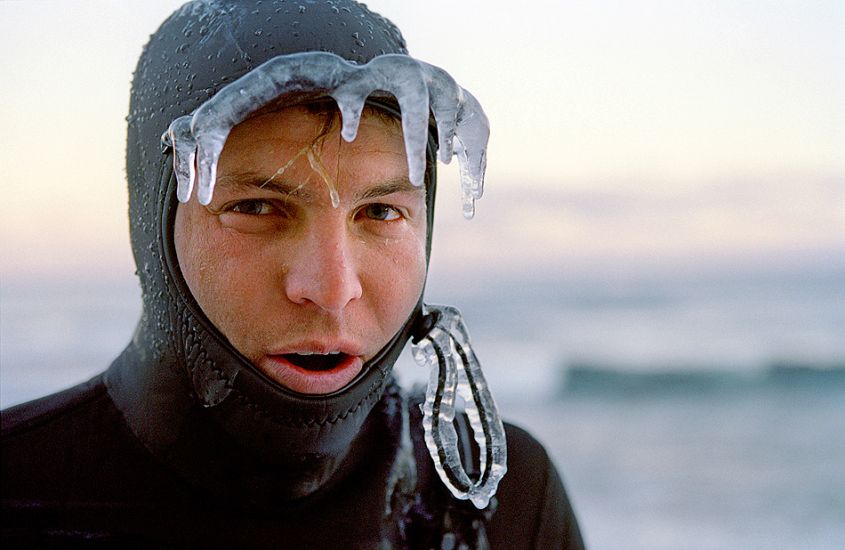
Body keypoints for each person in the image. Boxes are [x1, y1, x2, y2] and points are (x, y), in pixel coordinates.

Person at [1, 1, 584, 548]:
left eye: (380, 212)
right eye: (257, 208)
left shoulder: (499, 504)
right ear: (155, 227)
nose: (332, 289)